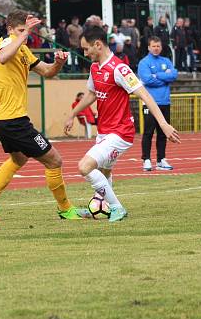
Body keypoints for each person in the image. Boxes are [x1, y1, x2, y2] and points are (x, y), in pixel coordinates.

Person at [0, 9, 86, 221]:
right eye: (20, 30)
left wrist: (58, 64)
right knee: (54, 160)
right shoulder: (5, 43)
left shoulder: (23, 50)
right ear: (10, 30)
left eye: (25, 30)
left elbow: (46, 72)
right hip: (12, 119)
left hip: (3, 119)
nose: (24, 34)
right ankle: (66, 210)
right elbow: (3, 57)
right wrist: (23, 34)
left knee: (18, 159)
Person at [64, 26, 180, 222]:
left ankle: (118, 208)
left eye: (86, 49)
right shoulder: (94, 68)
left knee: (84, 167)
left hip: (120, 133)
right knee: (103, 172)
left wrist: (163, 124)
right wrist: (72, 114)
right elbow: (92, 94)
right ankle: (100, 207)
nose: (84, 53)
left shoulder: (119, 69)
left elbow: (145, 95)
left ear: (98, 45)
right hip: (105, 131)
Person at [137, 36, 178, 172]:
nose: (156, 48)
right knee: (148, 132)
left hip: (165, 102)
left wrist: (157, 75)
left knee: (163, 132)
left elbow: (174, 75)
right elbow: (147, 80)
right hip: (149, 102)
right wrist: (164, 76)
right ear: (149, 47)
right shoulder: (144, 62)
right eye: (153, 46)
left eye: (158, 46)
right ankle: (146, 160)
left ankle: (161, 160)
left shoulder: (166, 60)